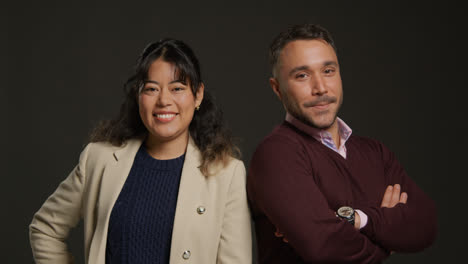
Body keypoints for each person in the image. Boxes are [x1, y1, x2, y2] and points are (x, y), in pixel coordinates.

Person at [29, 39, 252, 264]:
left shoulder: (227, 174)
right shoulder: (99, 159)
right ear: (138, 96)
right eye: (152, 89)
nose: (164, 100)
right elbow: (45, 228)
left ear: (198, 95)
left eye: (177, 88)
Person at [247, 24, 437, 263]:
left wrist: (359, 219)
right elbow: (326, 250)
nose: (320, 88)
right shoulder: (276, 155)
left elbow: (426, 224)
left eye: (328, 71)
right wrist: (384, 245)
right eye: (302, 76)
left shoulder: (376, 153)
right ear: (278, 89)